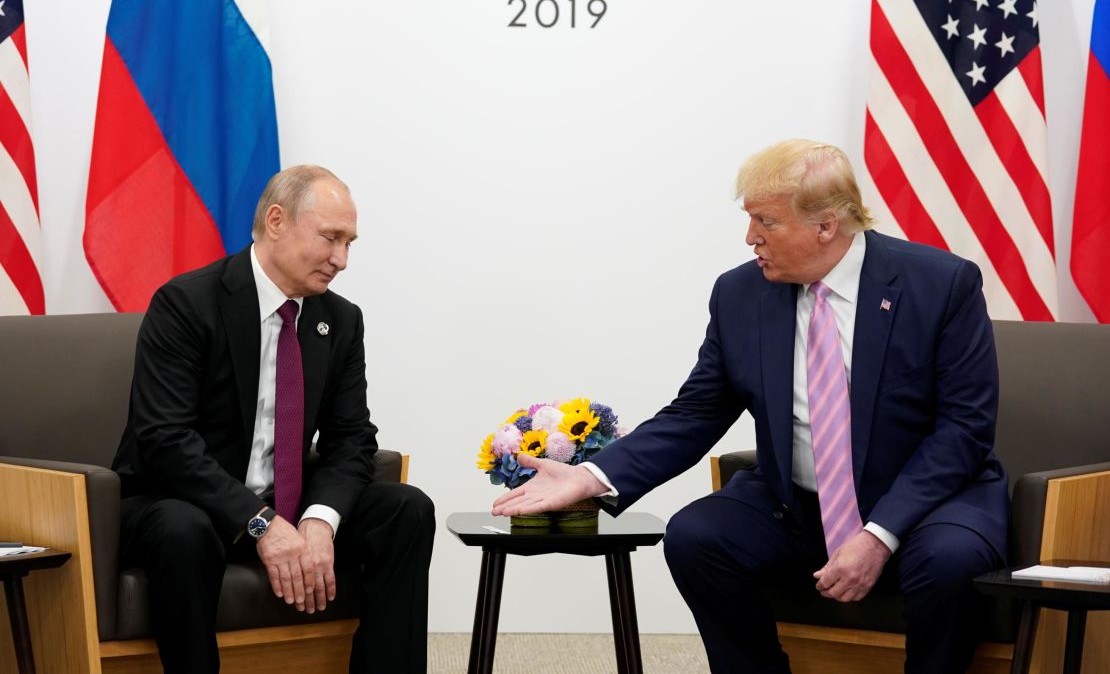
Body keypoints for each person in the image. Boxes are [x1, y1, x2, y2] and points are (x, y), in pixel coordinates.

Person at [493, 139, 1008, 673]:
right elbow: (696, 411)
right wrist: (593, 476)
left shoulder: (941, 284)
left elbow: (963, 430)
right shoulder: (741, 294)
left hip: (926, 504)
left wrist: (879, 533)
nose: (750, 238)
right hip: (799, 504)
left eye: (766, 221)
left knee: (950, 563)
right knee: (697, 537)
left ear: (826, 225)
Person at [113, 165, 435, 673]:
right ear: (277, 220)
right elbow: (164, 439)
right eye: (331, 238)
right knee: (183, 527)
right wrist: (260, 524)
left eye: (350, 243)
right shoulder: (186, 303)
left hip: (283, 502)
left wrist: (317, 521)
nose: (342, 260)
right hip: (181, 501)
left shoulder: (341, 320)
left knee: (405, 509)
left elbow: (352, 439)